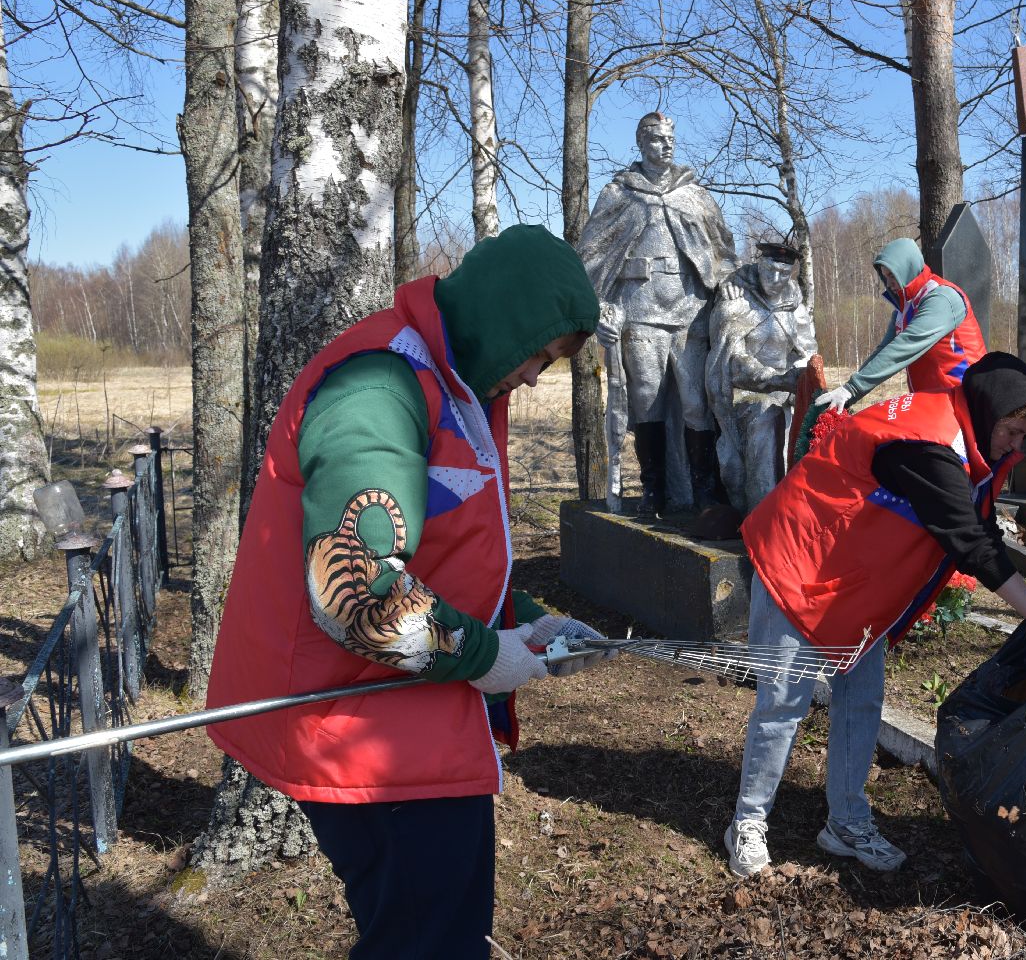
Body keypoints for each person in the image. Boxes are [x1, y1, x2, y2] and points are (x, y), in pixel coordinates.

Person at [207, 225, 615, 959]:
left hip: (402, 709)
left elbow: (450, 546)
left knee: (429, 935)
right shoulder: (380, 383)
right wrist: (488, 654)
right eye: (539, 357)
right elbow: (355, 595)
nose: (531, 379)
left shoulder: (461, 381)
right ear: (505, 318)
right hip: (355, 720)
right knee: (431, 944)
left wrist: (528, 623)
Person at [724, 352, 1026, 878]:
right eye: (1014, 431)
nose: (1017, 446)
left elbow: (970, 524)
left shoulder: (965, 436)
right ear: (987, 410)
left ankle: (845, 821)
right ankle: (748, 821)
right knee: (783, 704)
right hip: (798, 560)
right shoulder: (927, 443)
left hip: (856, 581)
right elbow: (970, 544)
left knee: (861, 700)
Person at [578, 111, 735, 514]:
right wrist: (599, 308)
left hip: (690, 312)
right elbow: (591, 256)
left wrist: (732, 291)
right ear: (641, 143)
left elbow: (723, 252)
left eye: (670, 139)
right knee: (646, 400)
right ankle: (654, 489)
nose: (667, 146)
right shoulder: (619, 194)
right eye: (657, 139)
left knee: (696, 401)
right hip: (640, 312)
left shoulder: (695, 195)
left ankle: (704, 489)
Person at [706, 235, 818, 512]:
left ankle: (801, 515)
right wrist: (776, 380)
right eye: (771, 270)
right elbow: (732, 361)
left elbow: (807, 351)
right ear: (759, 265)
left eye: (784, 273)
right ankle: (763, 514)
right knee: (766, 420)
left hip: (788, 390)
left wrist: (805, 379)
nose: (776, 278)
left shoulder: (794, 306)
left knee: (815, 427)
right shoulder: (736, 301)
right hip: (744, 396)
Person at [814, 236, 986, 414]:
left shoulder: (942, 298)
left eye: (891, 275)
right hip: (934, 403)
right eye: (884, 276)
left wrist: (852, 389)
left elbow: (905, 345)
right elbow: (884, 351)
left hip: (965, 399)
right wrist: (848, 392)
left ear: (907, 268)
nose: (888, 283)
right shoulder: (904, 310)